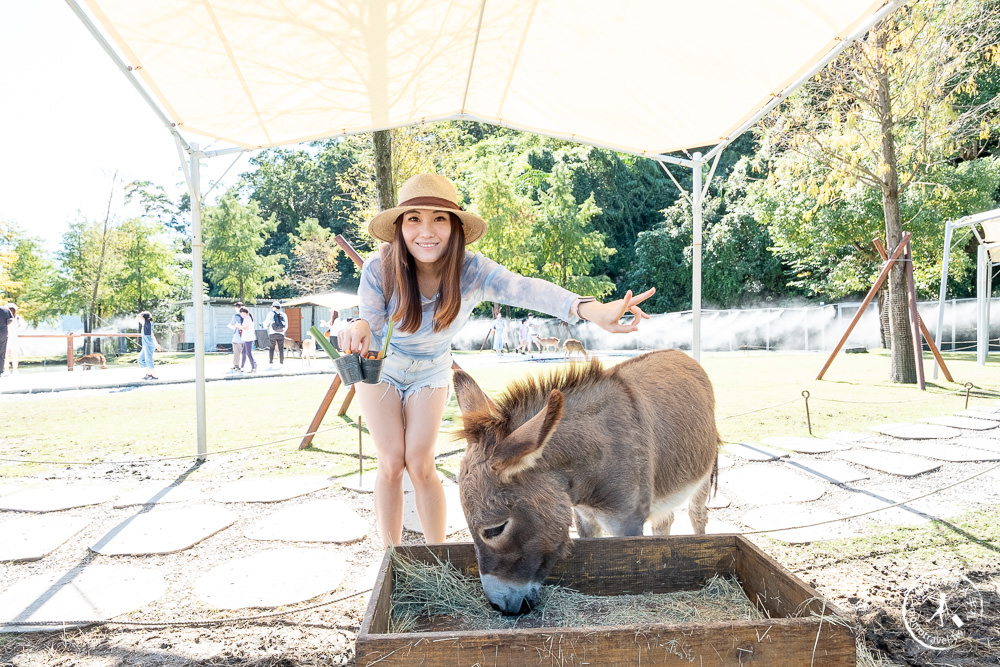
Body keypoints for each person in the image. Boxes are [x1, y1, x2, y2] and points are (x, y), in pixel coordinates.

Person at [339, 173, 654, 547]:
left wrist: (589, 308)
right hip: (382, 370)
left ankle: (440, 558)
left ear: (455, 227)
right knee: (392, 462)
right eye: (414, 219)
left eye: (439, 218)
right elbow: (370, 323)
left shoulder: (471, 270)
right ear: (400, 227)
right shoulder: (380, 268)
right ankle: (389, 557)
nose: (427, 231)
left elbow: (525, 288)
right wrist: (356, 325)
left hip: (432, 370)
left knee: (421, 464)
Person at [137, 311, 161, 380]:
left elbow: (139, 316)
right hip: (146, 345)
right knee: (141, 360)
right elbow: (152, 335)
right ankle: (149, 373)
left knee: (148, 360)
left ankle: (155, 376)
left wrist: (142, 314)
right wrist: (157, 344)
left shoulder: (147, 323)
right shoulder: (147, 324)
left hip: (149, 345)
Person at [263, 301, 286, 367]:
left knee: (272, 348)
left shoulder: (271, 313)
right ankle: (281, 362)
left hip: (272, 333)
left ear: (274, 307)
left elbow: (266, 323)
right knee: (281, 348)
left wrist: (265, 327)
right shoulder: (283, 314)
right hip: (281, 333)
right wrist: (283, 331)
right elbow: (286, 325)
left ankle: (271, 362)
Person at [5, 303, 26, 374]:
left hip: (14, 338)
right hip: (6, 337)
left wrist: (17, 330)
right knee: (5, 354)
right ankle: (6, 369)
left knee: (14, 354)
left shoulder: (17, 318)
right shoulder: (5, 318)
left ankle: (14, 369)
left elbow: (24, 325)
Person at [238, 306, 258, 372]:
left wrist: (239, 327)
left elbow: (245, 328)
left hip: (248, 338)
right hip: (248, 337)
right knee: (244, 352)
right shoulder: (249, 318)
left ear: (244, 313)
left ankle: (253, 368)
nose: (241, 315)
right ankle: (242, 367)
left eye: (241, 313)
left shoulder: (247, 318)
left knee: (248, 353)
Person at [227, 301, 244, 372]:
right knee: (247, 352)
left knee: (236, 352)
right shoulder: (247, 315)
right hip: (245, 337)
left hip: (237, 337)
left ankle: (236, 366)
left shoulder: (236, 316)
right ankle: (253, 364)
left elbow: (231, 325)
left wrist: (233, 326)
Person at [0, 302, 10, 379]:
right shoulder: (5, 310)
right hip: (3, 333)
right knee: (2, 354)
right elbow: (11, 320)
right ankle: (0, 371)